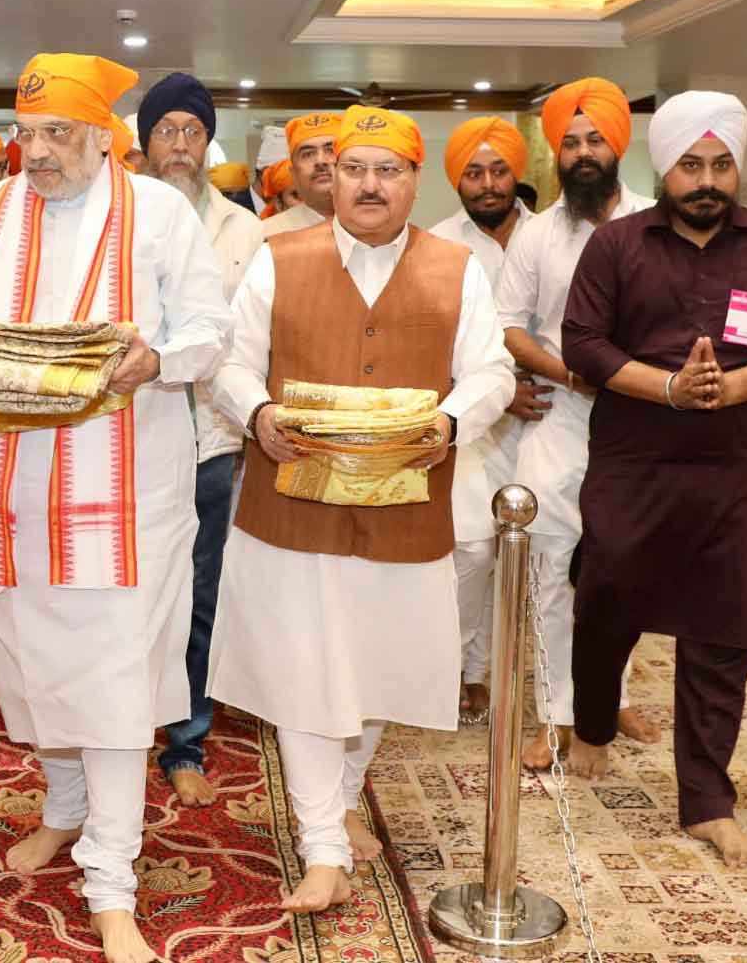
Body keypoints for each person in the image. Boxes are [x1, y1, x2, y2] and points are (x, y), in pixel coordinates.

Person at [0, 52, 230, 963]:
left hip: (126, 492)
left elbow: (209, 335)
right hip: (9, 484)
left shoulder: (161, 215)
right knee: (27, 663)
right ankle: (64, 812)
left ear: (103, 137)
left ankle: (113, 881)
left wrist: (156, 360)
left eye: (58, 133)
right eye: (25, 134)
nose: (38, 152)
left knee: (107, 685)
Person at [209, 105, 515, 911]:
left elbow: (493, 374)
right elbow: (231, 366)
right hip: (293, 510)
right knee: (305, 674)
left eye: (389, 170)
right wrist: (258, 415)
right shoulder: (278, 259)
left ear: (416, 180)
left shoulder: (458, 267)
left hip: (407, 509)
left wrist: (451, 421)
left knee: (378, 668)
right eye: (354, 168)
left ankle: (341, 801)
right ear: (330, 178)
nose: (370, 184)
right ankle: (320, 848)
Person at [563, 90, 747, 867]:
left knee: (729, 623)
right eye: (690, 165)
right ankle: (593, 723)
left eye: (720, 165)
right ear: (664, 168)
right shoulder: (615, 244)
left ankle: (707, 800)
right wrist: (668, 387)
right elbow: (583, 342)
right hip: (633, 460)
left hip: (735, 466)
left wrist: (735, 388)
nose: (706, 180)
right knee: (609, 599)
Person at [494, 77, 661, 770]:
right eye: (571, 141)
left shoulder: (659, 221)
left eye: (595, 139)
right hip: (563, 422)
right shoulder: (536, 236)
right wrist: (567, 373)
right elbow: (507, 325)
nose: (584, 152)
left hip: (644, 430)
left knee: (623, 574)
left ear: (619, 144)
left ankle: (606, 696)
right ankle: (555, 717)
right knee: (552, 570)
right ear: (555, 155)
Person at [137, 72, 264, 808]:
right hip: (124, 443)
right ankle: (121, 726)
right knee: (128, 595)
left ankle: (186, 741)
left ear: (207, 142)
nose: (180, 146)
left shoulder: (244, 230)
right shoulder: (116, 215)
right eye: (167, 132)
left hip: (212, 445)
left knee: (200, 599)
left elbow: (243, 346)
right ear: (145, 143)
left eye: (192, 132)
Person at [430, 116, 535, 719]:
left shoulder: (549, 235)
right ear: (457, 180)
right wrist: (497, 393)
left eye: (499, 170)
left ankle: (506, 674)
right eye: (475, 172)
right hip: (470, 426)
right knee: (472, 551)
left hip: (549, 417)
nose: (489, 183)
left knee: (533, 553)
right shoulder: (440, 243)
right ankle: (461, 666)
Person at [262, 112, 339, 236]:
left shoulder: (375, 228)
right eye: (308, 154)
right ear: (294, 174)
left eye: (331, 150)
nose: (320, 161)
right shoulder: (266, 234)